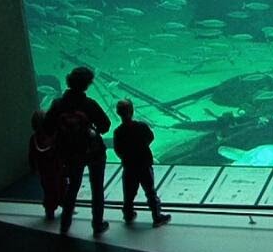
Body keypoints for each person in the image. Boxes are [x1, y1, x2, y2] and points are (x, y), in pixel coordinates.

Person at [44, 66, 111, 237]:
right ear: (87, 85)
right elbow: (106, 125)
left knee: (72, 187)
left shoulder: (58, 104)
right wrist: (93, 129)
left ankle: (65, 224)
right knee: (97, 189)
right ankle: (97, 224)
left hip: (70, 153)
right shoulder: (89, 104)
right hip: (94, 151)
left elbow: (47, 127)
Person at [112, 99, 171, 228]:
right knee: (150, 191)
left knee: (128, 193)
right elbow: (151, 137)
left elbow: (118, 149)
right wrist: (142, 146)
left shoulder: (118, 131)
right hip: (144, 164)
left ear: (118, 113)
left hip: (129, 166)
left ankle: (128, 215)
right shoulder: (141, 126)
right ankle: (157, 216)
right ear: (132, 111)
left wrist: (126, 156)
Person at [27, 110, 63, 221]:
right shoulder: (54, 135)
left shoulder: (33, 139)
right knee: (62, 187)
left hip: (44, 170)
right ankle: (66, 207)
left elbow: (31, 155)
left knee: (48, 190)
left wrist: (34, 168)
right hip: (57, 167)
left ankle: (50, 211)